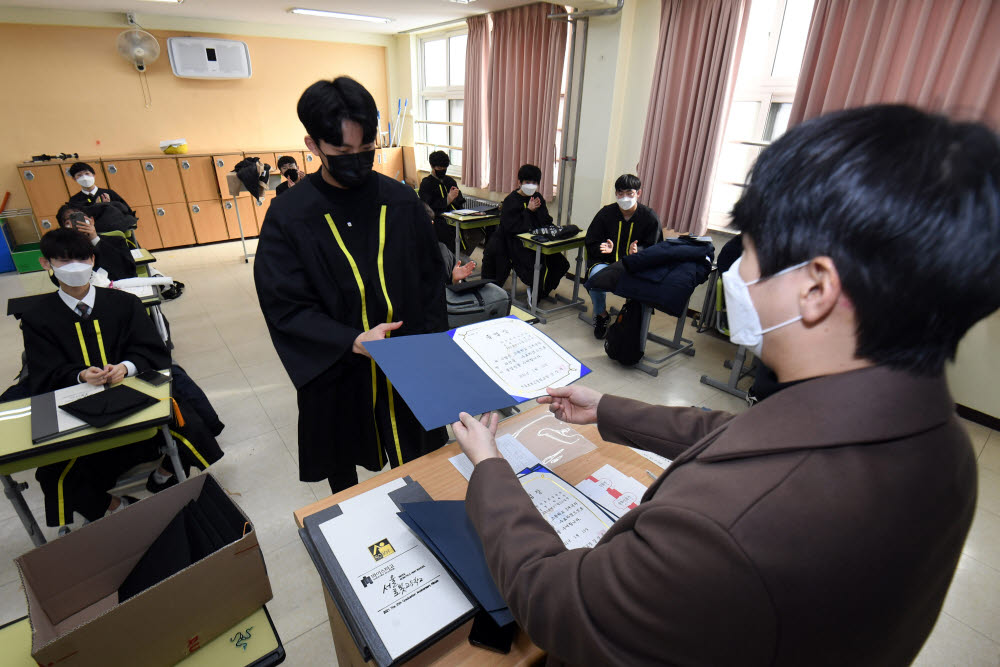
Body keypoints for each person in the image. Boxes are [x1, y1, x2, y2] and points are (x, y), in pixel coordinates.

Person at [451, 105, 1000, 665]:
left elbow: (560, 602)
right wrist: (611, 409)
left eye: (751, 253)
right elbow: (741, 434)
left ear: (816, 289)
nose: (737, 277)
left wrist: (491, 468)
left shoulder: (727, 525)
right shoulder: (944, 446)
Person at [254, 77, 449, 493]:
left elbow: (430, 283)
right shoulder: (290, 215)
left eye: (367, 150)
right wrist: (351, 340)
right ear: (313, 145)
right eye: (342, 151)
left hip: (407, 352)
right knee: (342, 461)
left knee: (420, 456)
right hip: (337, 359)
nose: (357, 161)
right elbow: (284, 304)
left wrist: (433, 349)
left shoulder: (400, 201)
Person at [21, 229, 168, 526]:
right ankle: (111, 504)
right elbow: (43, 369)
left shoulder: (123, 303)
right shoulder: (37, 316)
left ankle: (166, 473)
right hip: (73, 395)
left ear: (92, 259)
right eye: (63, 260)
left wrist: (126, 367)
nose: (74, 266)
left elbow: (151, 348)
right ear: (45, 263)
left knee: (187, 412)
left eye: (81, 258)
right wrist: (78, 374)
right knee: (51, 471)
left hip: (128, 388)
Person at [584, 174, 660, 338]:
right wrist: (602, 248)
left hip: (634, 265)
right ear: (616, 193)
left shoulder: (649, 217)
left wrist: (639, 251)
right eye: (620, 193)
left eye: (629, 193)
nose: (624, 197)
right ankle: (601, 314)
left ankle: (629, 316)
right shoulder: (606, 213)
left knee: (641, 285)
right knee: (596, 276)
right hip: (607, 263)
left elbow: (656, 247)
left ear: (638, 193)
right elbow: (591, 240)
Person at [497, 164, 568, 300]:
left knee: (561, 264)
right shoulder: (511, 200)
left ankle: (540, 292)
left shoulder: (538, 198)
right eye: (527, 182)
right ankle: (535, 292)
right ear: (520, 182)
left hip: (539, 242)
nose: (531, 185)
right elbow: (512, 228)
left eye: (534, 183)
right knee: (536, 267)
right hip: (517, 245)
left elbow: (545, 221)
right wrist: (528, 211)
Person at [56, 204, 137, 281]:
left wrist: (95, 240)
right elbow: (59, 280)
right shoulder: (61, 250)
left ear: (92, 221)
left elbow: (129, 271)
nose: (77, 225)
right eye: (68, 223)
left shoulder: (117, 241)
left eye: (81, 219)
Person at [418, 150, 467, 247]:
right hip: (439, 219)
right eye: (439, 168)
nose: (442, 170)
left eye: (445, 168)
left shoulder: (449, 181)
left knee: (479, 227)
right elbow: (428, 207)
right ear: (432, 166)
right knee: (445, 230)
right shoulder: (426, 183)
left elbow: (460, 201)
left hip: (456, 215)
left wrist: (456, 197)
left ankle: (461, 254)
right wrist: (447, 200)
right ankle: (453, 255)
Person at [66, 162, 132, 212]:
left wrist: (110, 204)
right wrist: (96, 207)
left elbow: (126, 211)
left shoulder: (109, 193)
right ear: (74, 179)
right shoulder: (75, 200)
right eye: (79, 175)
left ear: (93, 175)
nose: (84, 178)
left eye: (87, 173)